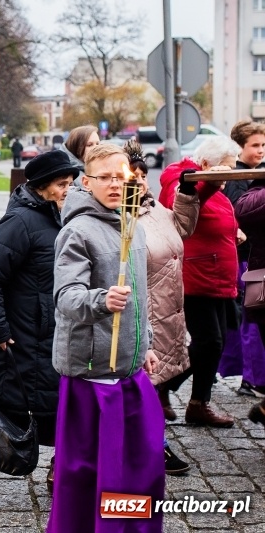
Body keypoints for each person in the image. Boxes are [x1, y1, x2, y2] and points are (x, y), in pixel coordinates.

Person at [47, 143, 164, 533]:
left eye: (121, 176)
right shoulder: (77, 231)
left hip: (129, 369)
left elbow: (140, 297)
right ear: (87, 181)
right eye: (105, 178)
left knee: (141, 464)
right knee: (96, 471)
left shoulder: (134, 225)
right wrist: (101, 299)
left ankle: (130, 527)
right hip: (94, 374)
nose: (115, 184)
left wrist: (144, 343)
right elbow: (66, 297)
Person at [0, 149, 79, 489]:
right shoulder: (19, 222)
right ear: (42, 186)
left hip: (58, 331)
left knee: (59, 405)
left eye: (71, 183)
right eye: (62, 184)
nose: (68, 190)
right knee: (15, 404)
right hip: (21, 334)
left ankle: (59, 468)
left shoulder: (65, 217)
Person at [125, 139, 198, 476]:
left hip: (172, 309)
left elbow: (182, 228)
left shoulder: (156, 210)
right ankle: (157, 446)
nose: (140, 180)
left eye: (143, 175)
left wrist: (186, 194)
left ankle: (143, 441)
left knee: (157, 381)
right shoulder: (123, 218)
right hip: (148, 313)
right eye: (132, 175)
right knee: (145, 385)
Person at [158, 136, 240, 428]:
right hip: (196, 277)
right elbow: (181, 205)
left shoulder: (216, 189)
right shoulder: (178, 177)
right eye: (225, 172)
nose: (227, 179)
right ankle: (171, 392)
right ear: (207, 165)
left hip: (217, 278)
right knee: (208, 342)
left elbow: (215, 220)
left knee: (215, 342)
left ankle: (185, 398)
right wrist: (209, 182)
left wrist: (235, 232)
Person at [219, 120, 265, 397]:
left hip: (253, 260)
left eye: (263, 145)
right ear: (240, 147)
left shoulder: (255, 173)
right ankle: (253, 377)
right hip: (245, 261)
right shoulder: (236, 179)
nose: (261, 150)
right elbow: (240, 215)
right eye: (255, 145)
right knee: (252, 322)